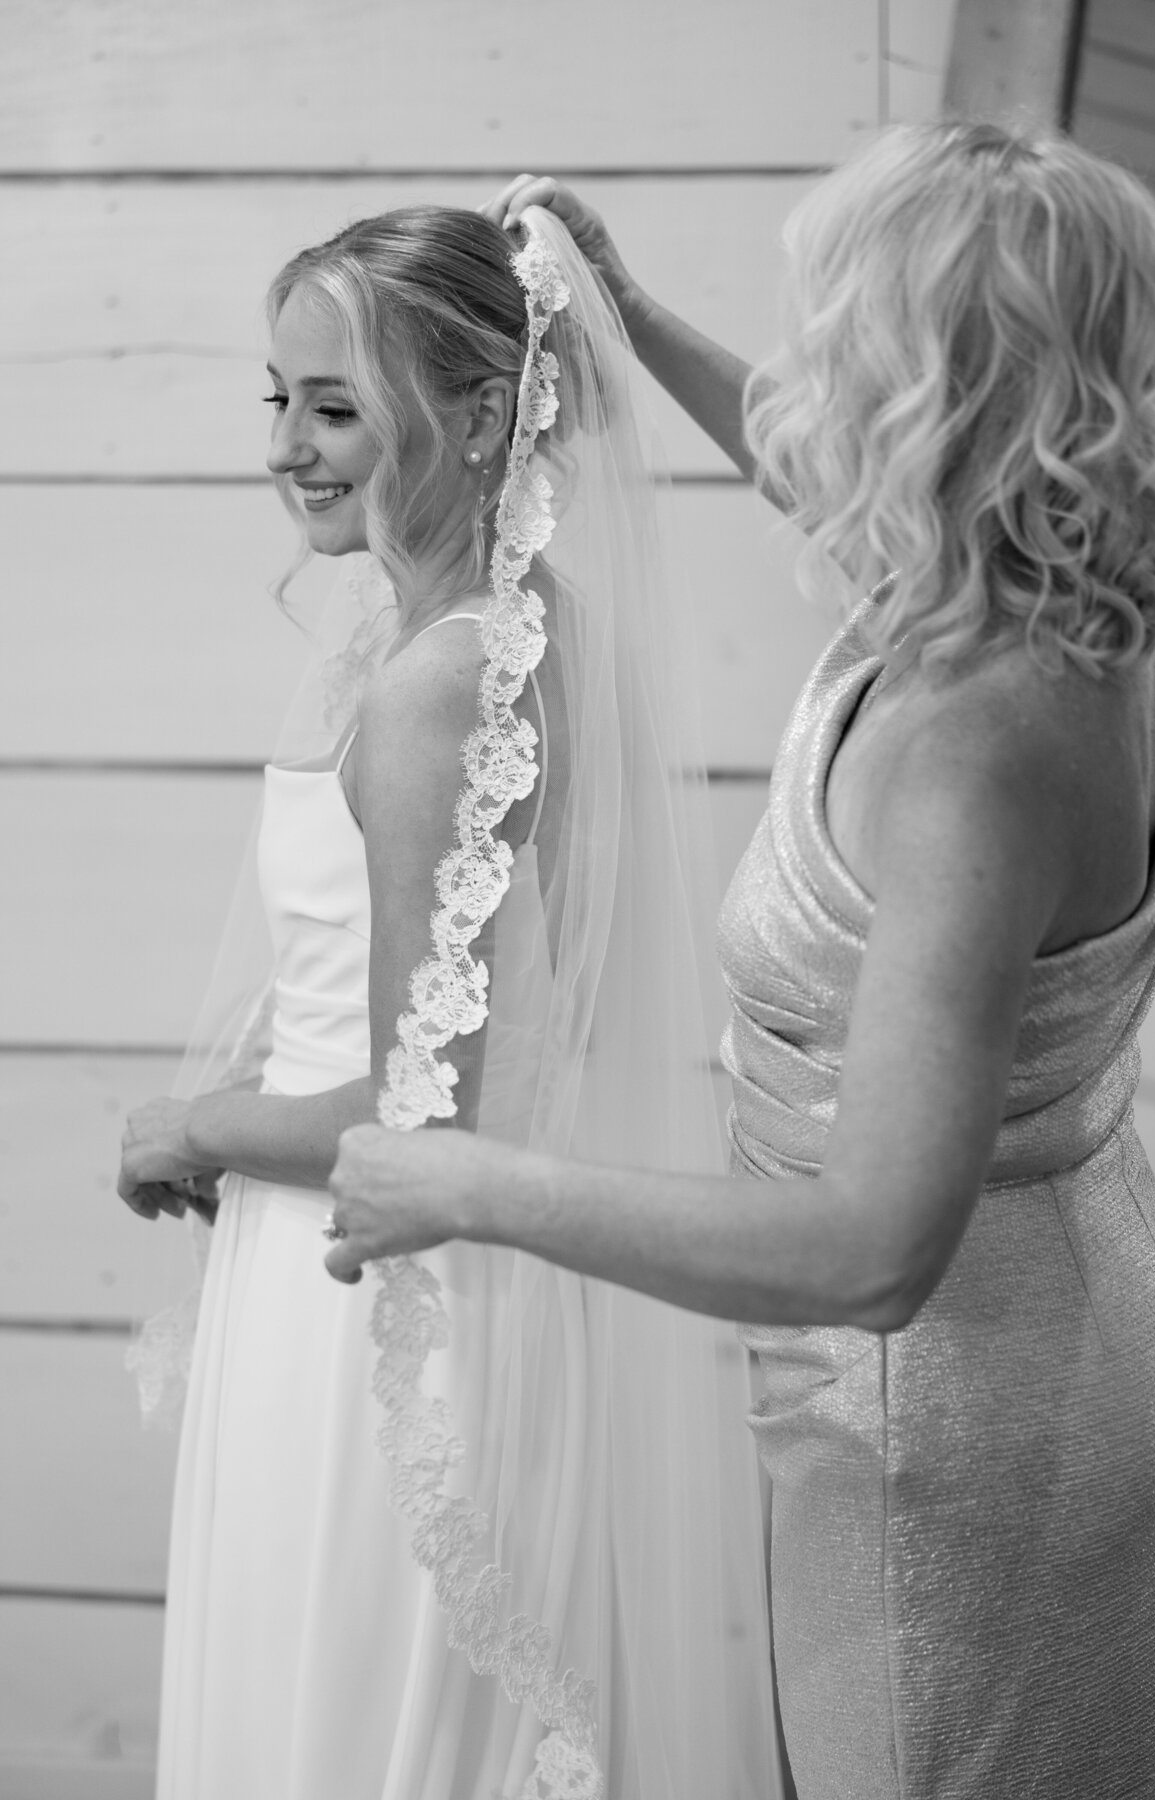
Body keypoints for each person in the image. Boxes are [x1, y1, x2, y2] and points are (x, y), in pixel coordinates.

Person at [322, 124, 1155, 1797]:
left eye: (832, 341)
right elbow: (815, 470)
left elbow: (871, 1250)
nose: (802, 379)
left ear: (918, 388)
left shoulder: (972, 749)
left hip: (949, 1441)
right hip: (1091, 1340)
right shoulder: (1110, 594)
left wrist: (463, 1183)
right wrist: (637, 314)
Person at [117, 204, 783, 1799]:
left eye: (334, 406)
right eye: (273, 398)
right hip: (409, 1279)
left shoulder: (438, 687)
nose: (288, 445)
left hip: (377, 1310)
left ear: (480, 413)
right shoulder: (507, 633)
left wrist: (181, 1126)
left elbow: (425, 1117)